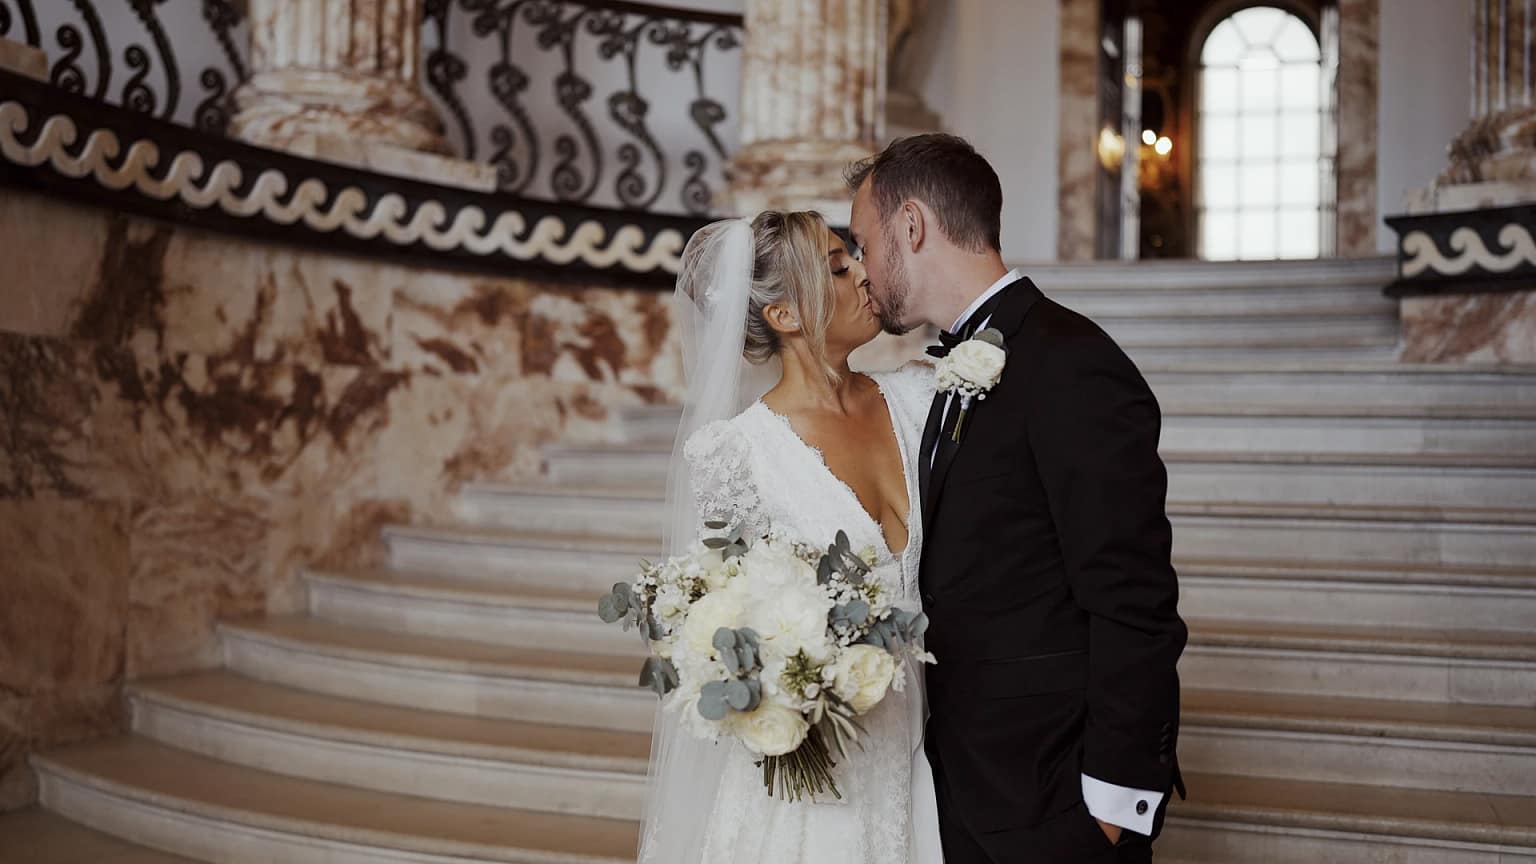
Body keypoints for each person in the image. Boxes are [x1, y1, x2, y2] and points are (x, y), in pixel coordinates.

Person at [845, 133, 1187, 864]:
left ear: (911, 227)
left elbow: (1135, 600)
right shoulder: (942, 374)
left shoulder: (1070, 364)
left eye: (864, 242)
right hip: (962, 787)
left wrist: (1111, 805)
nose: (863, 269)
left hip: (1054, 805)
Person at [639, 210, 944, 863]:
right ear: (785, 316)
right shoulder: (734, 454)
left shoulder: (921, 399)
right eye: (839, 267)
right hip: (815, 783)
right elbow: (725, 623)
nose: (866, 275)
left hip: (932, 748)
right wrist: (789, 676)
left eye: (855, 257)